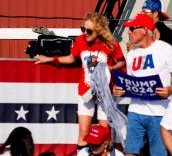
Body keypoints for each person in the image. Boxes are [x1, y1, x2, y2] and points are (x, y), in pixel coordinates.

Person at [34, 12, 126, 150]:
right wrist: (50, 59)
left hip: (105, 92)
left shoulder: (110, 43)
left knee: (104, 132)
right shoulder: (80, 40)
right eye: (83, 29)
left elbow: (122, 62)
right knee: (83, 131)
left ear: (99, 30)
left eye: (89, 30)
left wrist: (111, 67)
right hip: (86, 91)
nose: (85, 33)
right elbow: (72, 58)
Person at [113, 13, 172, 156]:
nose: (129, 32)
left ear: (144, 30)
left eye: (132, 29)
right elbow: (130, 82)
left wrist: (170, 89)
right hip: (135, 110)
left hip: (160, 112)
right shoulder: (132, 54)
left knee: (158, 153)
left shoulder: (166, 49)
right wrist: (120, 89)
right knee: (130, 152)